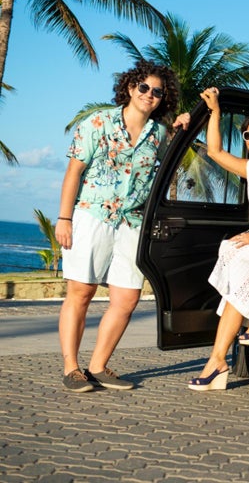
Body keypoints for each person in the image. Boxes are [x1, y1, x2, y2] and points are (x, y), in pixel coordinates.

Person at [55, 60, 189, 392]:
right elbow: (74, 172)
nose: (150, 95)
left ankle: (98, 366)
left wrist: (181, 126)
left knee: (127, 298)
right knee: (81, 292)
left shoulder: (157, 134)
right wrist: (64, 217)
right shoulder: (97, 123)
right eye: (144, 88)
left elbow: (172, 149)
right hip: (92, 217)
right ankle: (72, 368)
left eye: (157, 92)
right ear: (130, 88)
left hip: (132, 223)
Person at [188, 86, 249, 391]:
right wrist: (215, 112)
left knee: (239, 253)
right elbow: (215, 152)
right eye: (248, 136)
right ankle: (218, 359)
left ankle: (247, 327)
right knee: (230, 250)